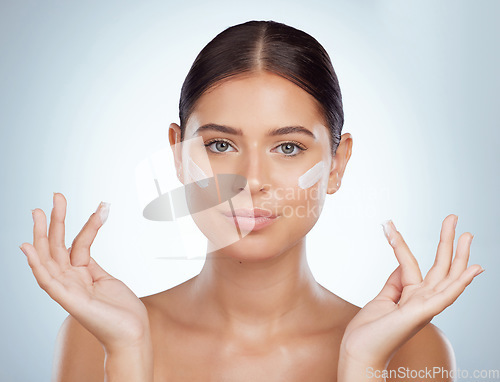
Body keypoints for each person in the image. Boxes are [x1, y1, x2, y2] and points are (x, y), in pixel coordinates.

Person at [20, 20, 483, 381]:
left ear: (337, 164)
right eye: (221, 145)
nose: (252, 181)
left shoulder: (411, 350)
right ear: (179, 156)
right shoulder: (95, 335)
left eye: (288, 148)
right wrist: (127, 353)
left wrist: (363, 363)